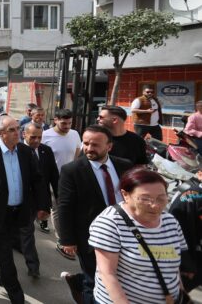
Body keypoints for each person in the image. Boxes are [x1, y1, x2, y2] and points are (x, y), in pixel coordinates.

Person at [0, 115, 50, 304]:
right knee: (6, 252)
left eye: (17, 129)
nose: (18, 133)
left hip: (21, 210)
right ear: (0, 133)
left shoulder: (25, 151)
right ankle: (16, 295)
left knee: (2, 241)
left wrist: (43, 206)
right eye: (12, 130)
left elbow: (38, 180)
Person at [56, 125, 134, 304]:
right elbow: (65, 206)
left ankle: (77, 281)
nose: (89, 148)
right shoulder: (72, 170)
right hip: (91, 236)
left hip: (125, 234)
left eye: (96, 145)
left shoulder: (124, 165)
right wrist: (67, 239)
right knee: (95, 280)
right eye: (86, 143)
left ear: (109, 146)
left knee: (117, 276)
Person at [89, 167, 187, 304]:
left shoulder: (170, 221)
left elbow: (172, 267)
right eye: (145, 199)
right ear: (125, 195)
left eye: (161, 198)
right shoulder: (111, 222)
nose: (155, 205)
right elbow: (107, 273)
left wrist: (182, 296)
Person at [13, 122, 59, 277]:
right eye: (33, 137)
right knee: (26, 231)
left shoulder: (46, 151)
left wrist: (56, 200)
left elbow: (53, 177)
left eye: (40, 137)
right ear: (23, 134)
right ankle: (33, 266)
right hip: (20, 200)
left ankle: (28, 259)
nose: (37, 141)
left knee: (24, 231)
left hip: (39, 199)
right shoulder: (15, 151)